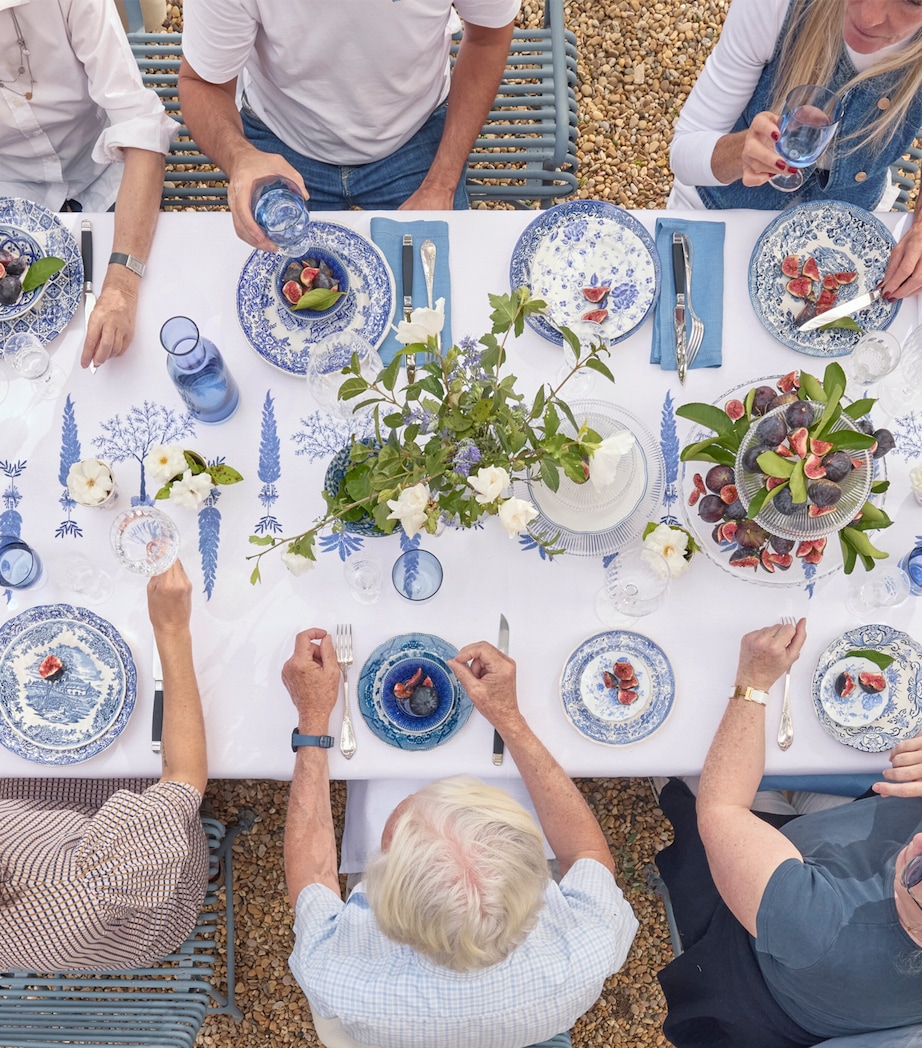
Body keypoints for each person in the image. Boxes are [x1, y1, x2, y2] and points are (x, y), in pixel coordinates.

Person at [282, 629, 637, 1048]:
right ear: (540, 877)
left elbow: (314, 875)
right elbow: (586, 854)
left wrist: (311, 720)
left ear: (385, 908)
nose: (414, 795)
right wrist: (509, 717)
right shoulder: (593, 941)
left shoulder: (334, 975)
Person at [656, 619, 922, 1048]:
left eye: (919, 869)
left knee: (695, 766)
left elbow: (723, 807)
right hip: (832, 847)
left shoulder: (822, 928)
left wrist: (752, 682)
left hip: (760, 932)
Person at [0, 561, 209, 971]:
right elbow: (184, 779)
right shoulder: (70, 889)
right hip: (157, 889)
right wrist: (172, 630)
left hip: (49, 820)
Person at [177, 1, 519, 248]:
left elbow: (489, 36)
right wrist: (241, 158)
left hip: (415, 135)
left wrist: (442, 182)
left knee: (434, 310)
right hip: (280, 140)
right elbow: (202, 83)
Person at [668, 0, 922, 301]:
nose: (869, 17)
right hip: (723, 214)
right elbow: (683, 152)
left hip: (847, 240)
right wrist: (741, 152)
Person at [0, 0, 176, 368]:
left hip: (103, 169)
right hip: (10, 190)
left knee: (155, 326)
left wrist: (122, 285)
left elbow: (141, 126)